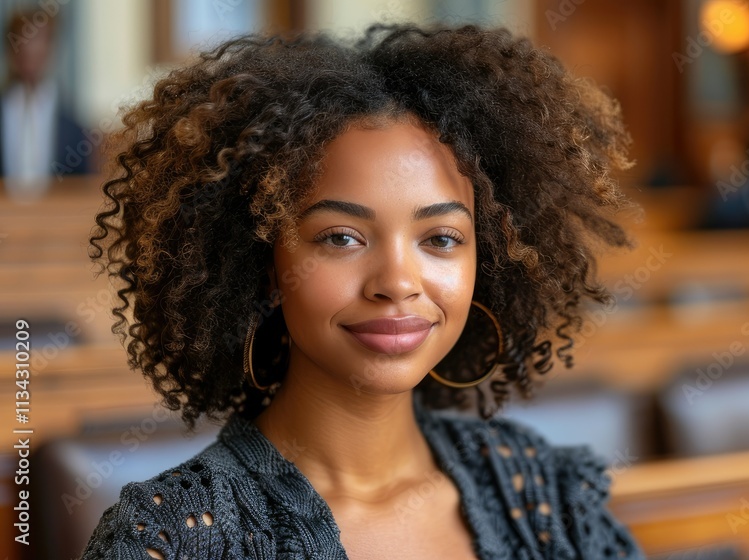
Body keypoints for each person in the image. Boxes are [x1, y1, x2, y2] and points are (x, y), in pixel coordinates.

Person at [83, 23, 642, 559]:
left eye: (441, 238)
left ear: (487, 261)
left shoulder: (544, 495)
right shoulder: (172, 540)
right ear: (267, 264)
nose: (398, 282)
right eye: (342, 238)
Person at [1, 9, 90, 198]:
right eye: (24, 38)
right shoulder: (5, 107)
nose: (31, 48)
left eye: (40, 40)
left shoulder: (72, 125)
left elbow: (82, 188)